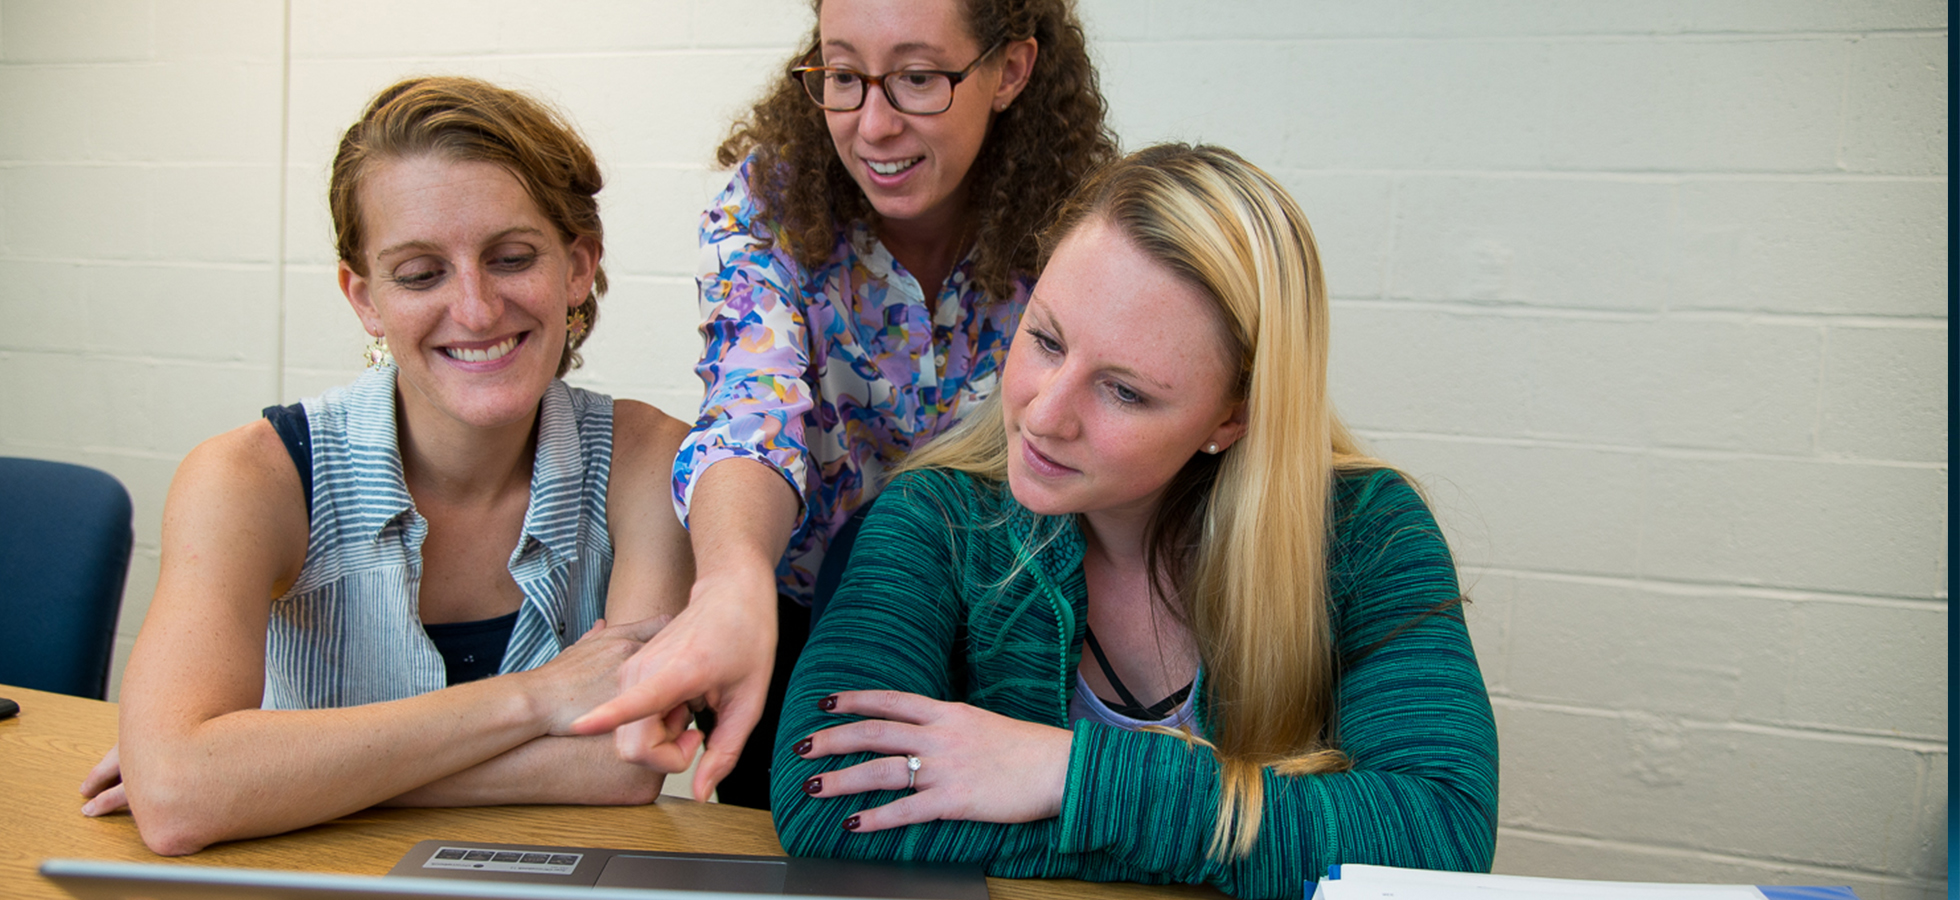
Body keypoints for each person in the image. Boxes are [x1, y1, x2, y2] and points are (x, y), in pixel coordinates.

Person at [766, 144, 1500, 899]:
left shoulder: (1368, 532)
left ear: (1232, 416)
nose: (1044, 416)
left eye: (1123, 391)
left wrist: (1065, 773)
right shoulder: (937, 517)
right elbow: (829, 800)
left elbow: (1436, 844)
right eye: (1046, 340)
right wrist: (1256, 838)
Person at [76, 76, 697, 856]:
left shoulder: (650, 460)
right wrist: (538, 698)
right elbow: (177, 796)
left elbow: (626, 763)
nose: (474, 309)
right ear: (363, 296)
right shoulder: (246, 478)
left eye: (510, 258)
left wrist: (266, 781)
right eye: (419, 273)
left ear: (577, 267)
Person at [571, 0, 1119, 809]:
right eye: (842, 76)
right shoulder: (769, 205)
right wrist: (730, 581)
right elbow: (751, 408)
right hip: (796, 625)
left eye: (918, 78)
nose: (872, 125)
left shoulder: (1088, 226)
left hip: (1020, 625)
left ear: (1009, 70)